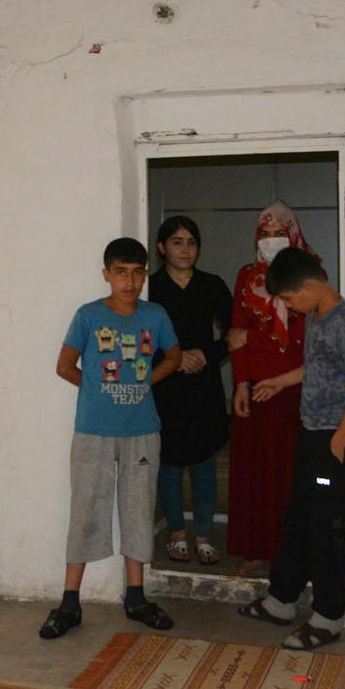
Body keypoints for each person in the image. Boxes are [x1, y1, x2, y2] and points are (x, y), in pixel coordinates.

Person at [40, 237, 183, 640]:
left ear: (145, 275)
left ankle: (136, 597)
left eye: (137, 273)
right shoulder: (88, 316)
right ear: (106, 274)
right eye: (121, 273)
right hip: (94, 431)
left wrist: (146, 380)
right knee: (86, 510)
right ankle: (69, 602)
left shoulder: (155, 316)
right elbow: (64, 366)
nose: (130, 282)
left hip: (142, 430)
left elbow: (173, 356)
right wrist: (98, 390)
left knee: (138, 510)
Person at [237, 246, 345, 650]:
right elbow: (316, 367)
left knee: (327, 527)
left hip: (339, 440)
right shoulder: (317, 317)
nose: (289, 306)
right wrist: (278, 382)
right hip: (314, 435)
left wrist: (339, 441)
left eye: (289, 299)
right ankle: (281, 600)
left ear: (310, 287)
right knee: (298, 517)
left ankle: (328, 617)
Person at [225, 201, 316, 573]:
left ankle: (287, 555)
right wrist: (240, 384)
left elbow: (299, 341)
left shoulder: (309, 275)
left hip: (293, 389)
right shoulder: (247, 277)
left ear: (293, 234)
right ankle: (255, 551)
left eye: (280, 233)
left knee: (288, 474)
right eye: (265, 234)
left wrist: (252, 337)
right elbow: (234, 335)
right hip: (254, 390)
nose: (271, 240)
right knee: (252, 473)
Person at [148, 216, 233, 566]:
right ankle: (177, 534)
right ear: (162, 247)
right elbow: (138, 338)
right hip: (164, 386)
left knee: (204, 463)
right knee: (168, 465)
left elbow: (233, 334)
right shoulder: (150, 288)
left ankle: (204, 536)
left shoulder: (212, 285)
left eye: (192, 242)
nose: (185, 249)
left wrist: (205, 354)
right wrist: (174, 359)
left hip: (204, 386)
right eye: (177, 242)